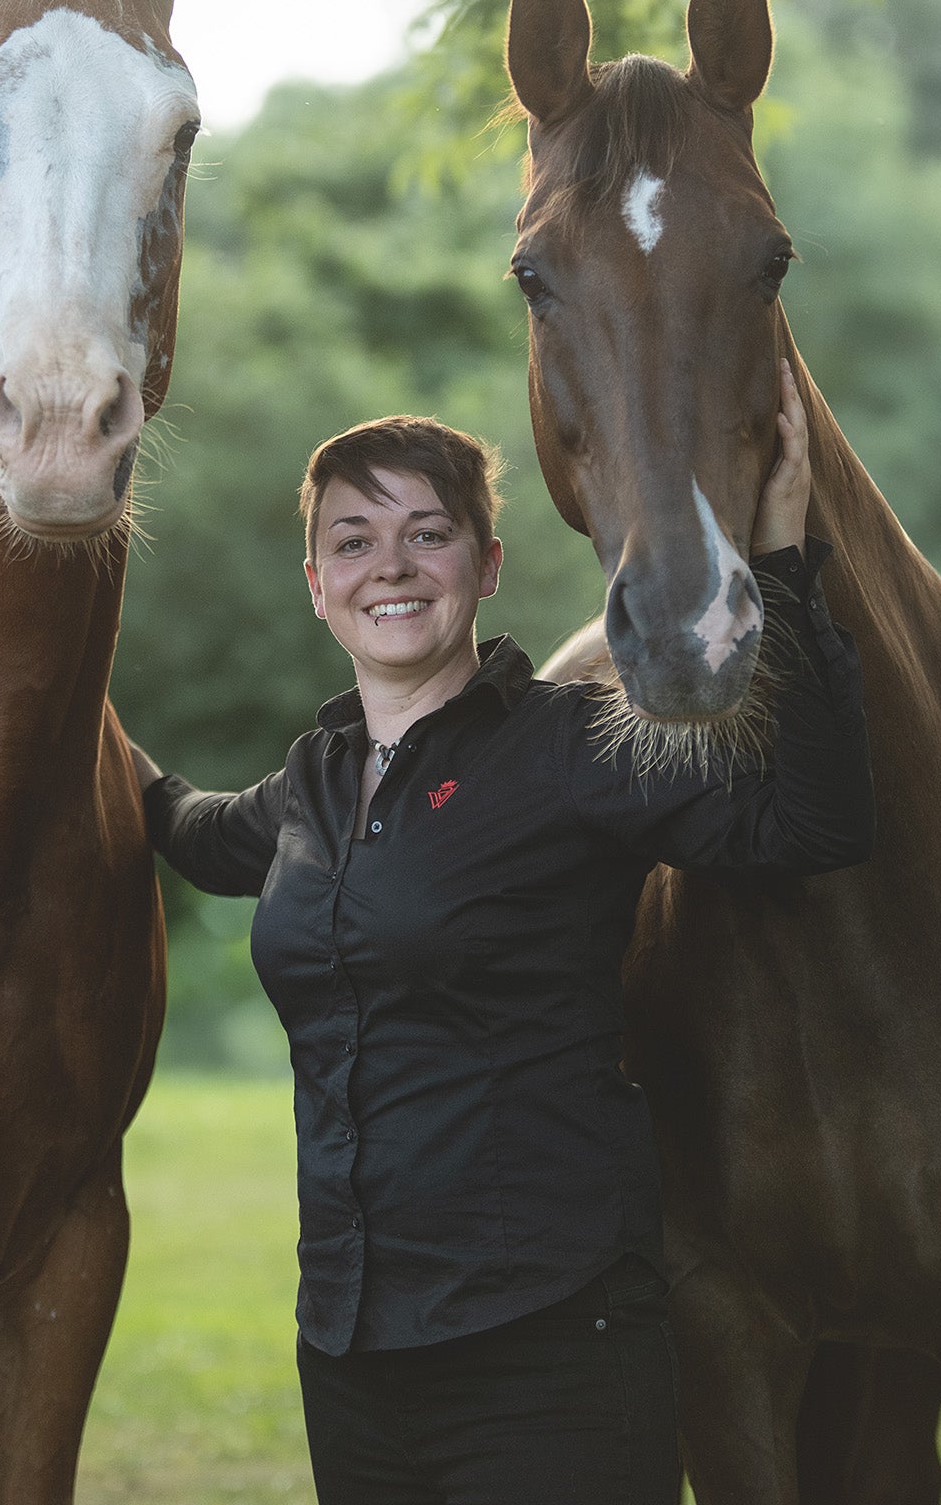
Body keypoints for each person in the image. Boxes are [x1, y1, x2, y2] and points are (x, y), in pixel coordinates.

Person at [131, 365, 874, 1505]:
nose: (388, 564)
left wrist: (777, 560)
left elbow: (813, 820)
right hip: (348, 1347)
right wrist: (85, 728)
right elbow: (190, 828)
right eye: (353, 539)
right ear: (316, 585)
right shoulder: (312, 785)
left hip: (547, 1342)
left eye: (427, 533)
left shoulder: (578, 746)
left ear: (483, 567)